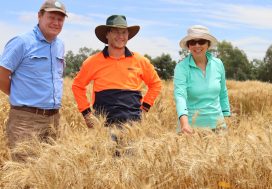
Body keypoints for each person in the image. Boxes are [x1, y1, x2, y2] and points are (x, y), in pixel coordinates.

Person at [0, 0, 67, 160]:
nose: (56, 23)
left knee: (49, 171)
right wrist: (17, 94)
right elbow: (1, 74)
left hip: (54, 119)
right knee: (24, 174)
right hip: (26, 120)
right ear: (39, 16)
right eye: (52, 17)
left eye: (60, 19)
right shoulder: (22, 42)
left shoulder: (60, 45)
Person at [72, 15, 162, 128]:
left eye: (124, 32)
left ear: (128, 35)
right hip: (102, 128)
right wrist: (87, 114)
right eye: (116, 32)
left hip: (133, 127)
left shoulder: (140, 60)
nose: (120, 36)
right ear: (107, 34)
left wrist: (145, 107)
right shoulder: (92, 62)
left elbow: (156, 84)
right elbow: (77, 86)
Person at [174, 25, 231, 134]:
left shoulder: (218, 64)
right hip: (191, 129)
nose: (197, 45)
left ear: (208, 44)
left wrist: (227, 118)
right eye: (192, 42)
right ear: (188, 46)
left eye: (201, 41)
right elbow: (180, 96)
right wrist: (184, 124)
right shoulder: (181, 67)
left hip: (219, 128)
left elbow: (223, 93)